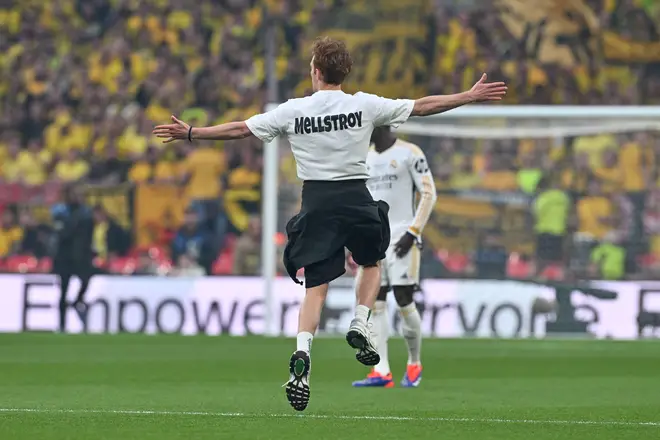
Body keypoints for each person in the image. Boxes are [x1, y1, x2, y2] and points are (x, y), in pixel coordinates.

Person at [153, 36, 507, 411]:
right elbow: (421, 106)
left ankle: (302, 355)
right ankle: (359, 321)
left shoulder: (294, 110)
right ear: (344, 72)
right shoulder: (364, 105)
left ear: (316, 71)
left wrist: (192, 133)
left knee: (316, 287)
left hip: (317, 201)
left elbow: (240, 129)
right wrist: (466, 96)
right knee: (371, 263)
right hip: (355, 196)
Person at [351, 126, 436, 389]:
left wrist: (413, 232)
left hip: (401, 236)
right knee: (374, 301)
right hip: (372, 239)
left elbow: (429, 193)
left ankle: (414, 363)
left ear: (384, 125)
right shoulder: (364, 158)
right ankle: (381, 371)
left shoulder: (410, 153)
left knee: (403, 298)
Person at [51, 185, 95, 332]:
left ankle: (77, 301)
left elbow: (88, 236)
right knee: (63, 290)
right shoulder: (61, 212)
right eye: (75, 194)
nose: (78, 198)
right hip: (64, 257)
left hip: (80, 257)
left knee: (86, 281)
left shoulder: (86, 214)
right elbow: (62, 234)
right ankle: (62, 325)